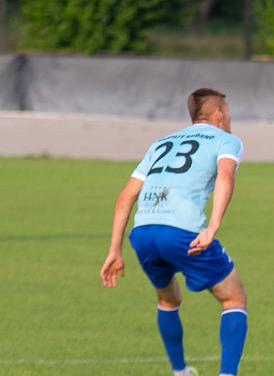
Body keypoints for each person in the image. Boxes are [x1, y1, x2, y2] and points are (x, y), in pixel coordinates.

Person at [100, 88, 248, 376]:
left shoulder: (161, 142)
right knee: (233, 298)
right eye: (227, 111)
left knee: (168, 299)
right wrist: (212, 227)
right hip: (182, 231)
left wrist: (114, 250)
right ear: (218, 113)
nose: (229, 116)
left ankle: (180, 372)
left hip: (143, 232)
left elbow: (124, 197)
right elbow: (226, 176)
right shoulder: (227, 140)